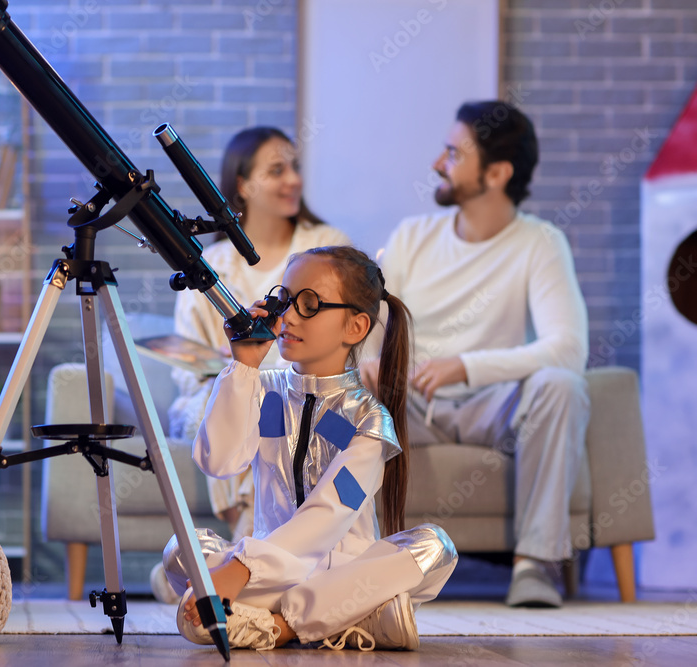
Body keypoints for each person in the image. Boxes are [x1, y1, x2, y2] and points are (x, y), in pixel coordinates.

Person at [163, 246, 457, 651]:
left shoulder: (368, 422)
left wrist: (237, 571)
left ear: (355, 328)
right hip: (272, 576)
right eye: (284, 300)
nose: (288, 316)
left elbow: (330, 514)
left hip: (342, 575)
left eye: (308, 304)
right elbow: (218, 461)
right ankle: (352, 619)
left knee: (435, 547)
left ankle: (281, 627)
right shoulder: (263, 392)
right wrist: (244, 366)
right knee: (180, 550)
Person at [361, 101, 589, 608]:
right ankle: (350, 556)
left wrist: (467, 366)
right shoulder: (412, 238)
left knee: (562, 385)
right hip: (412, 406)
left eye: (452, 152)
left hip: (492, 406)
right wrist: (370, 366)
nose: (437, 164)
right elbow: (370, 328)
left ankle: (535, 565)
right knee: (350, 386)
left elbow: (568, 348)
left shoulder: (540, 242)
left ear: (497, 173)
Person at [168, 127, 352, 539]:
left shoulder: (326, 247)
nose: (294, 180)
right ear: (243, 185)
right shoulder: (207, 265)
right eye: (277, 170)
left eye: (295, 168)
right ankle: (247, 530)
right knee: (218, 400)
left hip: (304, 386)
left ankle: (243, 547)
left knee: (278, 401)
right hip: (226, 386)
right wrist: (235, 367)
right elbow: (187, 371)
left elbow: (352, 340)